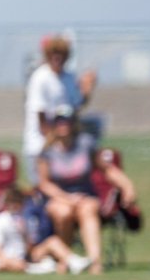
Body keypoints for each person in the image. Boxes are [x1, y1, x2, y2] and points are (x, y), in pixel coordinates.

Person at [37, 105, 137, 275]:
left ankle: (95, 262)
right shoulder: (47, 151)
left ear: (73, 123)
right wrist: (66, 197)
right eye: (60, 121)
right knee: (63, 212)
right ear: (54, 124)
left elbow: (107, 170)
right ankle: (66, 259)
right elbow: (44, 183)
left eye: (67, 121)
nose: (64, 125)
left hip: (85, 196)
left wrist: (127, 186)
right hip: (59, 198)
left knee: (88, 208)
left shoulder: (86, 143)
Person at [23, 35, 97, 184]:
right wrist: (54, 143)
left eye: (61, 56)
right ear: (48, 56)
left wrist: (87, 90)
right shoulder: (40, 78)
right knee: (44, 193)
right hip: (42, 146)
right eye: (53, 55)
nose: (57, 59)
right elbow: (41, 118)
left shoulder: (69, 77)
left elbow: (75, 107)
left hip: (64, 149)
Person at [0, 187, 91, 275]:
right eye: (12, 203)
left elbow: (29, 247)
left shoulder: (25, 220)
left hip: (26, 258)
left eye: (18, 204)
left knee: (52, 242)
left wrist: (25, 235)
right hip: (8, 260)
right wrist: (10, 262)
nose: (15, 207)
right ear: (7, 204)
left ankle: (73, 261)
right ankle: (43, 267)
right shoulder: (0, 221)